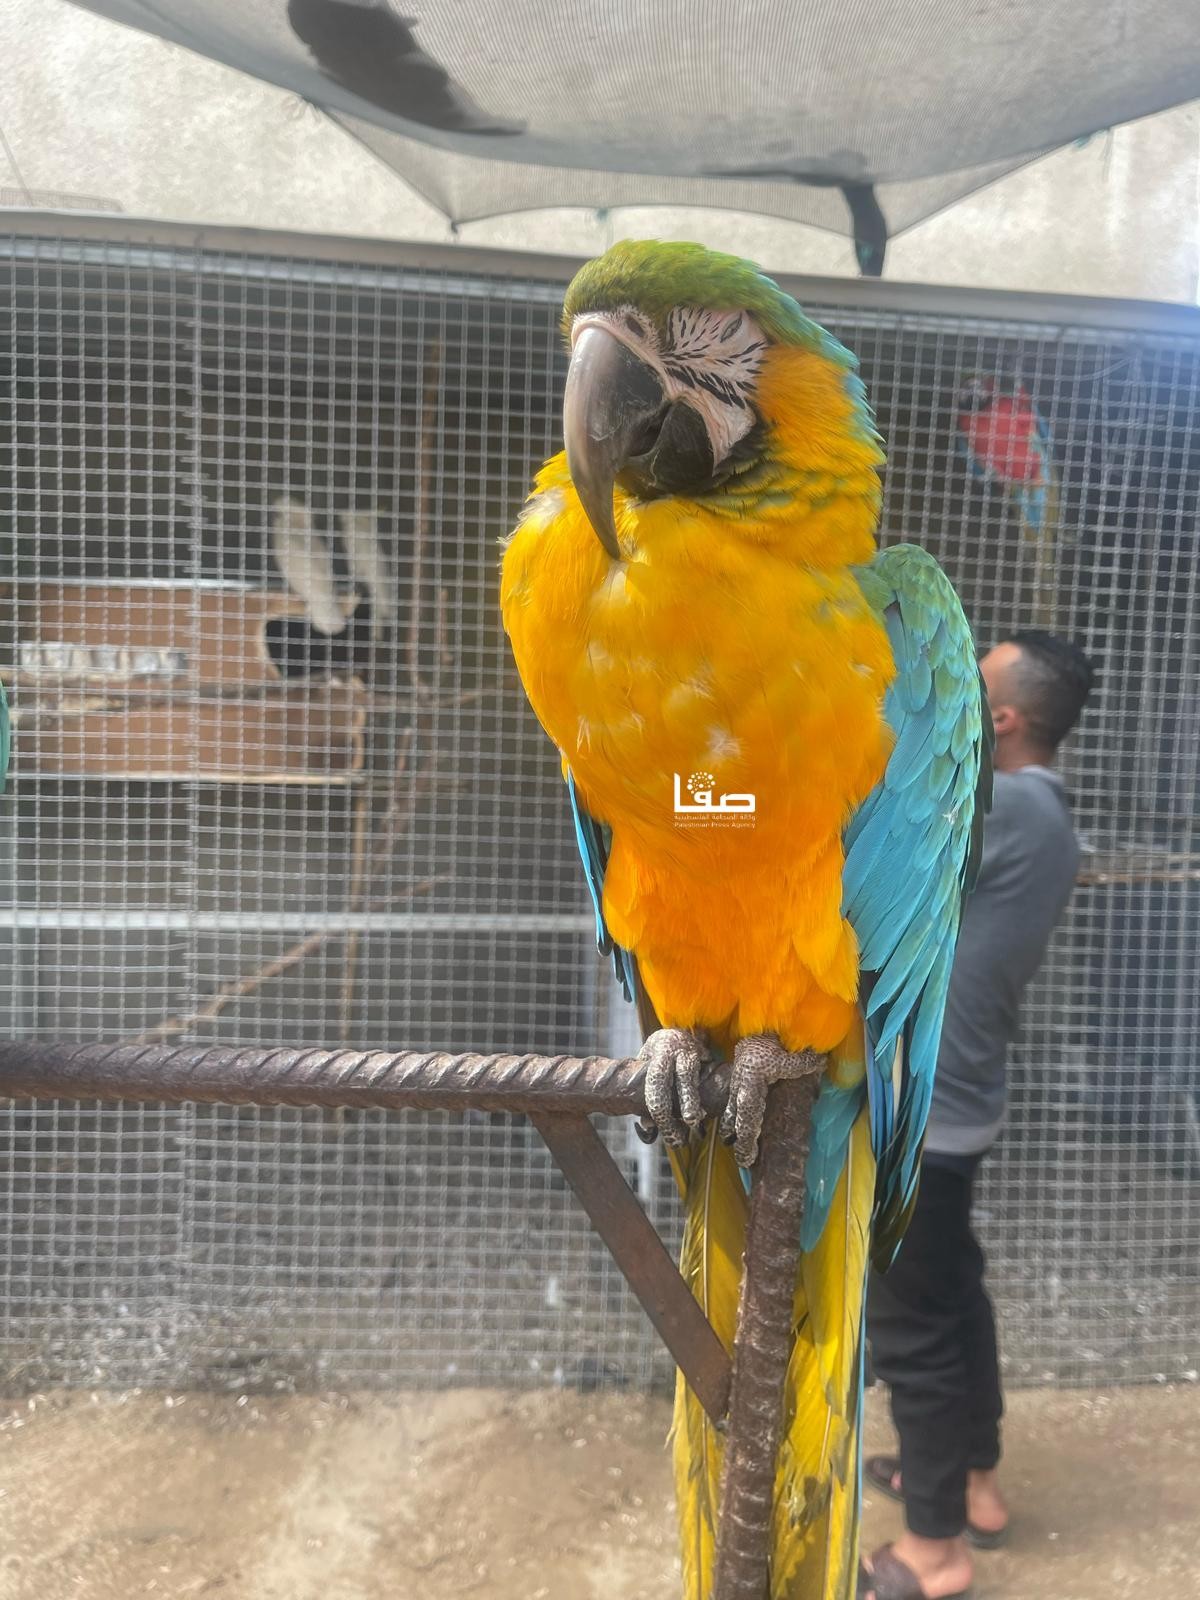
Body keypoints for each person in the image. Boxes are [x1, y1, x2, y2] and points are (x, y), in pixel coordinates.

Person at [859, 630, 1095, 1600]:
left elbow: (861, 837)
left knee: (912, 1327)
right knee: (954, 1292)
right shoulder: (1042, 813)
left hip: (923, 1112)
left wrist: (705, 791)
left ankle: (935, 1550)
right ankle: (973, 1484)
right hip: (958, 1099)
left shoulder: (1009, 807)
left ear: (998, 718)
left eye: (970, 677)